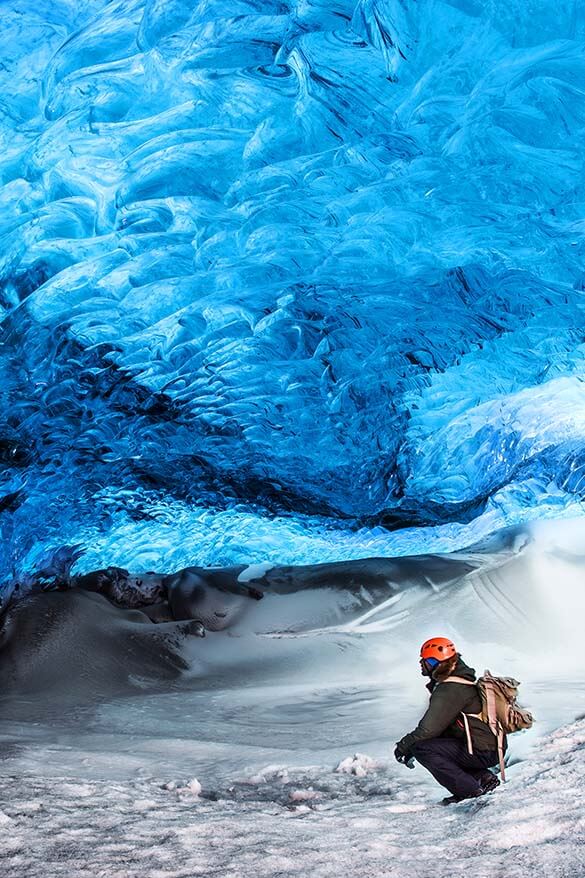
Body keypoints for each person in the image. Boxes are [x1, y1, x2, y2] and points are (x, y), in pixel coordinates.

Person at [394, 637, 502, 804]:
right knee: (437, 744)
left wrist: (403, 747)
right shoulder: (459, 681)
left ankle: (469, 790)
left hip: (482, 750)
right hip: (487, 746)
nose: (422, 663)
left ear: (436, 663)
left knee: (423, 748)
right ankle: (484, 777)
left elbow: (428, 729)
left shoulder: (450, 688)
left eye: (427, 660)